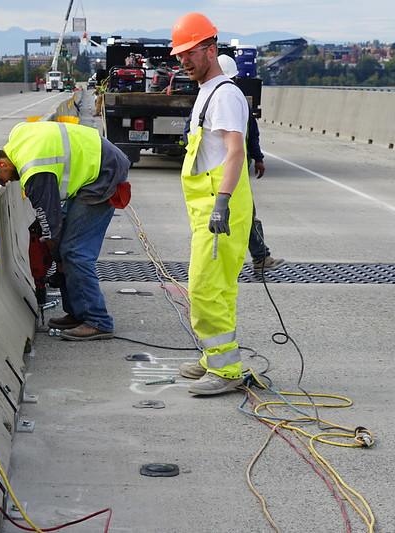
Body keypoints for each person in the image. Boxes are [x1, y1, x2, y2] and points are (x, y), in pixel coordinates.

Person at [0, 121, 131, 341]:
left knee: (74, 253)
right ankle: (77, 313)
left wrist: (54, 253)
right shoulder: (18, 137)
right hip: (97, 162)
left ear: (2, 164)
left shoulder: (34, 171)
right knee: (65, 250)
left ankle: (98, 321)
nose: (4, 184)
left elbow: (50, 224)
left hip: (103, 173)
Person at [171, 13, 253, 396]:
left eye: (191, 52)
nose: (184, 61)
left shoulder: (224, 95)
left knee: (204, 286)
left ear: (211, 49)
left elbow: (235, 153)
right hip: (208, 207)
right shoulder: (208, 91)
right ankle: (215, 357)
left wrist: (221, 202)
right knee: (219, 288)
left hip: (220, 208)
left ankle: (226, 370)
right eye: (180, 55)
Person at [217, 54, 285, 273]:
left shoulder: (210, 99)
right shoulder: (235, 100)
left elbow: (251, 134)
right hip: (232, 171)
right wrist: (258, 158)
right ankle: (259, 257)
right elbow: (252, 135)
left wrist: (258, 157)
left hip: (220, 172)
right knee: (245, 214)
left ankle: (256, 256)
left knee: (238, 214)